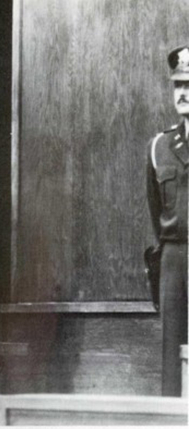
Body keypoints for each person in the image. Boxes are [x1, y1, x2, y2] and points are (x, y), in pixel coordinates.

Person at [146, 45, 189, 396]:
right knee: (172, 352)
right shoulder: (159, 146)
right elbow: (155, 209)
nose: (183, 92)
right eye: (178, 85)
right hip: (174, 259)